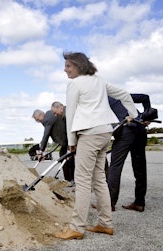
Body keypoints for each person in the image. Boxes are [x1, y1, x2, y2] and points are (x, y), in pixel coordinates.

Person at [53, 52, 137, 240]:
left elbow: (71, 115)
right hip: (105, 132)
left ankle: (76, 228)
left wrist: (72, 143)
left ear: (79, 65)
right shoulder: (98, 80)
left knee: (82, 180)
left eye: (68, 66)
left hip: (89, 134)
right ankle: (105, 224)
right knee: (99, 179)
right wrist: (133, 113)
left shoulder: (74, 84)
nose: (65, 69)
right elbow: (124, 93)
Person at [108, 94, 153, 212]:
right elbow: (145, 98)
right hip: (140, 129)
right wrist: (147, 116)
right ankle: (139, 203)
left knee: (115, 167)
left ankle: (110, 203)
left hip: (126, 130)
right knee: (140, 168)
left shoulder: (102, 99)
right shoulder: (120, 95)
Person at [33, 107, 74, 183]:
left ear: (42, 114)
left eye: (37, 120)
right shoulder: (49, 115)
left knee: (66, 157)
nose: (38, 122)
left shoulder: (47, 118)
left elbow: (46, 135)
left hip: (66, 139)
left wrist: (41, 150)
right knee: (66, 157)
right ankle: (70, 179)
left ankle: (70, 180)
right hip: (66, 138)